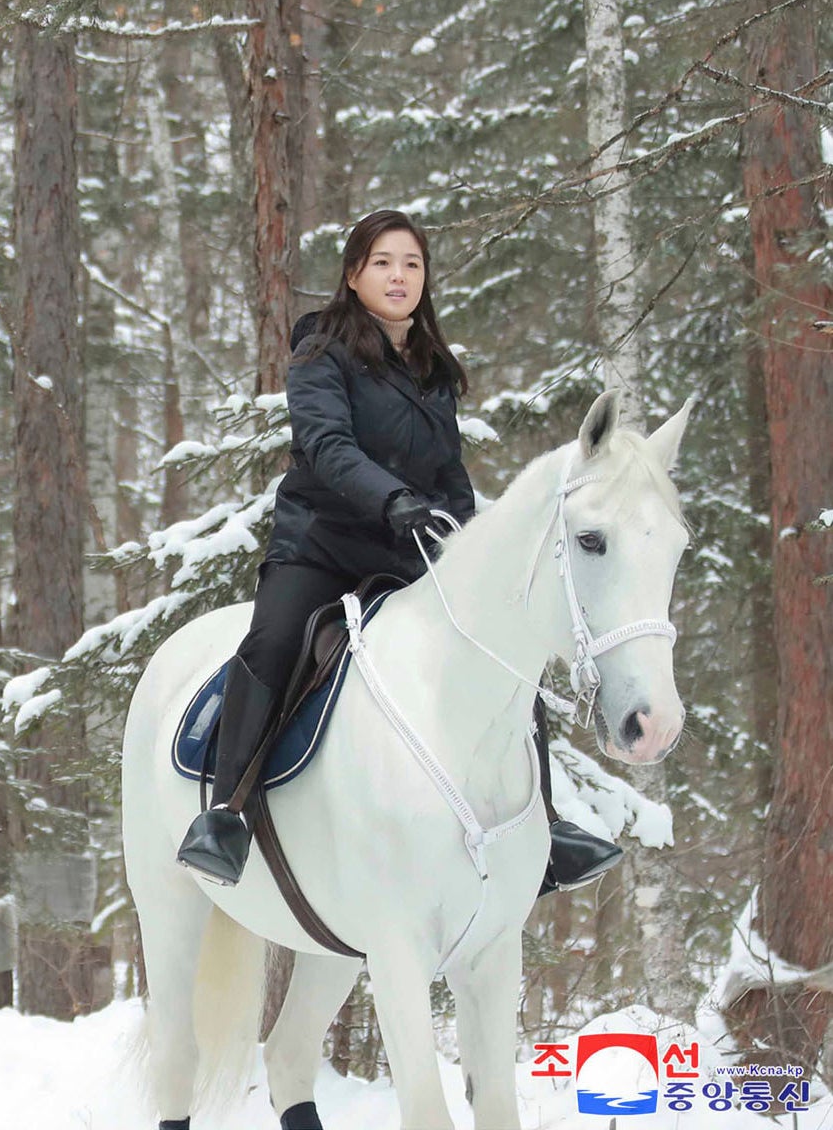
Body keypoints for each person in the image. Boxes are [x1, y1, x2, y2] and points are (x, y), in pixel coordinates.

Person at [174, 210, 624, 894]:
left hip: (411, 552)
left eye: (411, 263)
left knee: (504, 647)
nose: (398, 275)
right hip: (321, 545)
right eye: (382, 262)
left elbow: (447, 473)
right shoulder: (319, 349)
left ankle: (547, 826)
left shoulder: (432, 369)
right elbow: (326, 447)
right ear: (353, 275)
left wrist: (467, 536)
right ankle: (225, 815)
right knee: (269, 643)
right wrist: (389, 498)